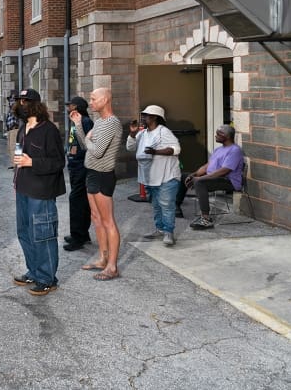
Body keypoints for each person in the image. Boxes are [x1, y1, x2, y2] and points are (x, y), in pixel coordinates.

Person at [10, 91, 66, 296]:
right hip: (22, 188)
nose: (20, 104)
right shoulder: (23, 128)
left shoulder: (48, 130)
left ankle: (47, 278)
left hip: (41, 191)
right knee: (24, 232)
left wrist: (31, 162)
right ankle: (33, 271)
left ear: (34, 104)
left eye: (24, 101)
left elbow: (59, 162)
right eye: (18, 101)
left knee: (42, 234)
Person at [69, 87, 123, 281]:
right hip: (91, 173)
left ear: (105, 100)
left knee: (108, 221)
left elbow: (97, 151)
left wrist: (88, 138)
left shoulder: (111, 123)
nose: (90, 103)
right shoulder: (99, 122)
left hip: (102, 175)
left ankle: (112, 266)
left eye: (93, 99)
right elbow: (86, 145)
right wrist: (78, 125)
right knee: (96, 218)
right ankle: (102, 258)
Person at [126, 105, 182, 246]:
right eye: (144, 115)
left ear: (156, 117)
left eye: (147, 115)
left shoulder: (164, 132)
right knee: (156, 205)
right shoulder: (142, 133)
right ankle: (160, 229)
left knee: (166, 205)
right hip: (149, 176)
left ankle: (169, 232)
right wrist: (132, 134)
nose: (144, 118)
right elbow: (130, 147)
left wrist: (155, 152)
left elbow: (175, 149)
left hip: (166, 175)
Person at [186, 125, 244, 230]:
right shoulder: (218, 149)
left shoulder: (235, 150)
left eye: (218, 134)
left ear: (225, 136)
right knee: (184, 176)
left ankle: (206, 219)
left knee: (200, 183)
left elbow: (224, 171)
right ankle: (176, 208)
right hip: (215, 178)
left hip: (229, 181)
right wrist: (194, 174)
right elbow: (207, 166)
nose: (215, 135)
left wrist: (201, 179)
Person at [63, 96, 94, 251]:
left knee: (77, 201)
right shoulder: (76, 121)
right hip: (75, 165)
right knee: (80, 200)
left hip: (82, 166)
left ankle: (78, 237)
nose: (68, 108)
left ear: (77, 107)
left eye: (71, 105)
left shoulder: (85, 122)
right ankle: (82, 233)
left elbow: (87, 145)